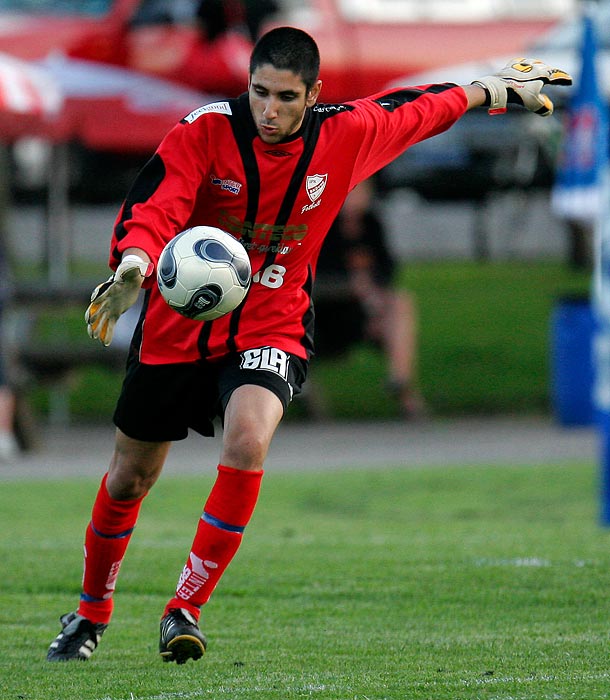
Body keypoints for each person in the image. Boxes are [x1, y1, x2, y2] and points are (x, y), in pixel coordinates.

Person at [45, 30, 571, 663]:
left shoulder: (342, 133)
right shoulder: (202, 132)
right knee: (130, 478)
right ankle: (89, 613)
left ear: (313, 94)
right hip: (177, 327)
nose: (269, 110)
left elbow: (421, 107)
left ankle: (185, 608)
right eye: (259, 93)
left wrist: (493, 89)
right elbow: (159, 204)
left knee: (248, 438)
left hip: (271, 321)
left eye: (286, 98)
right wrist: (134, 263)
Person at [314, 176, 427, 419]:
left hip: (367, 313)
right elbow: (312, 279)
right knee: (390, 310)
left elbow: (387, 270)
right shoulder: (322, 227)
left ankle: (400, 380)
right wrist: (351, 287)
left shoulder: (371, 226)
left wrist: (371, 293)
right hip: (325, 316)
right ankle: (405, 389)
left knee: (399, 303)